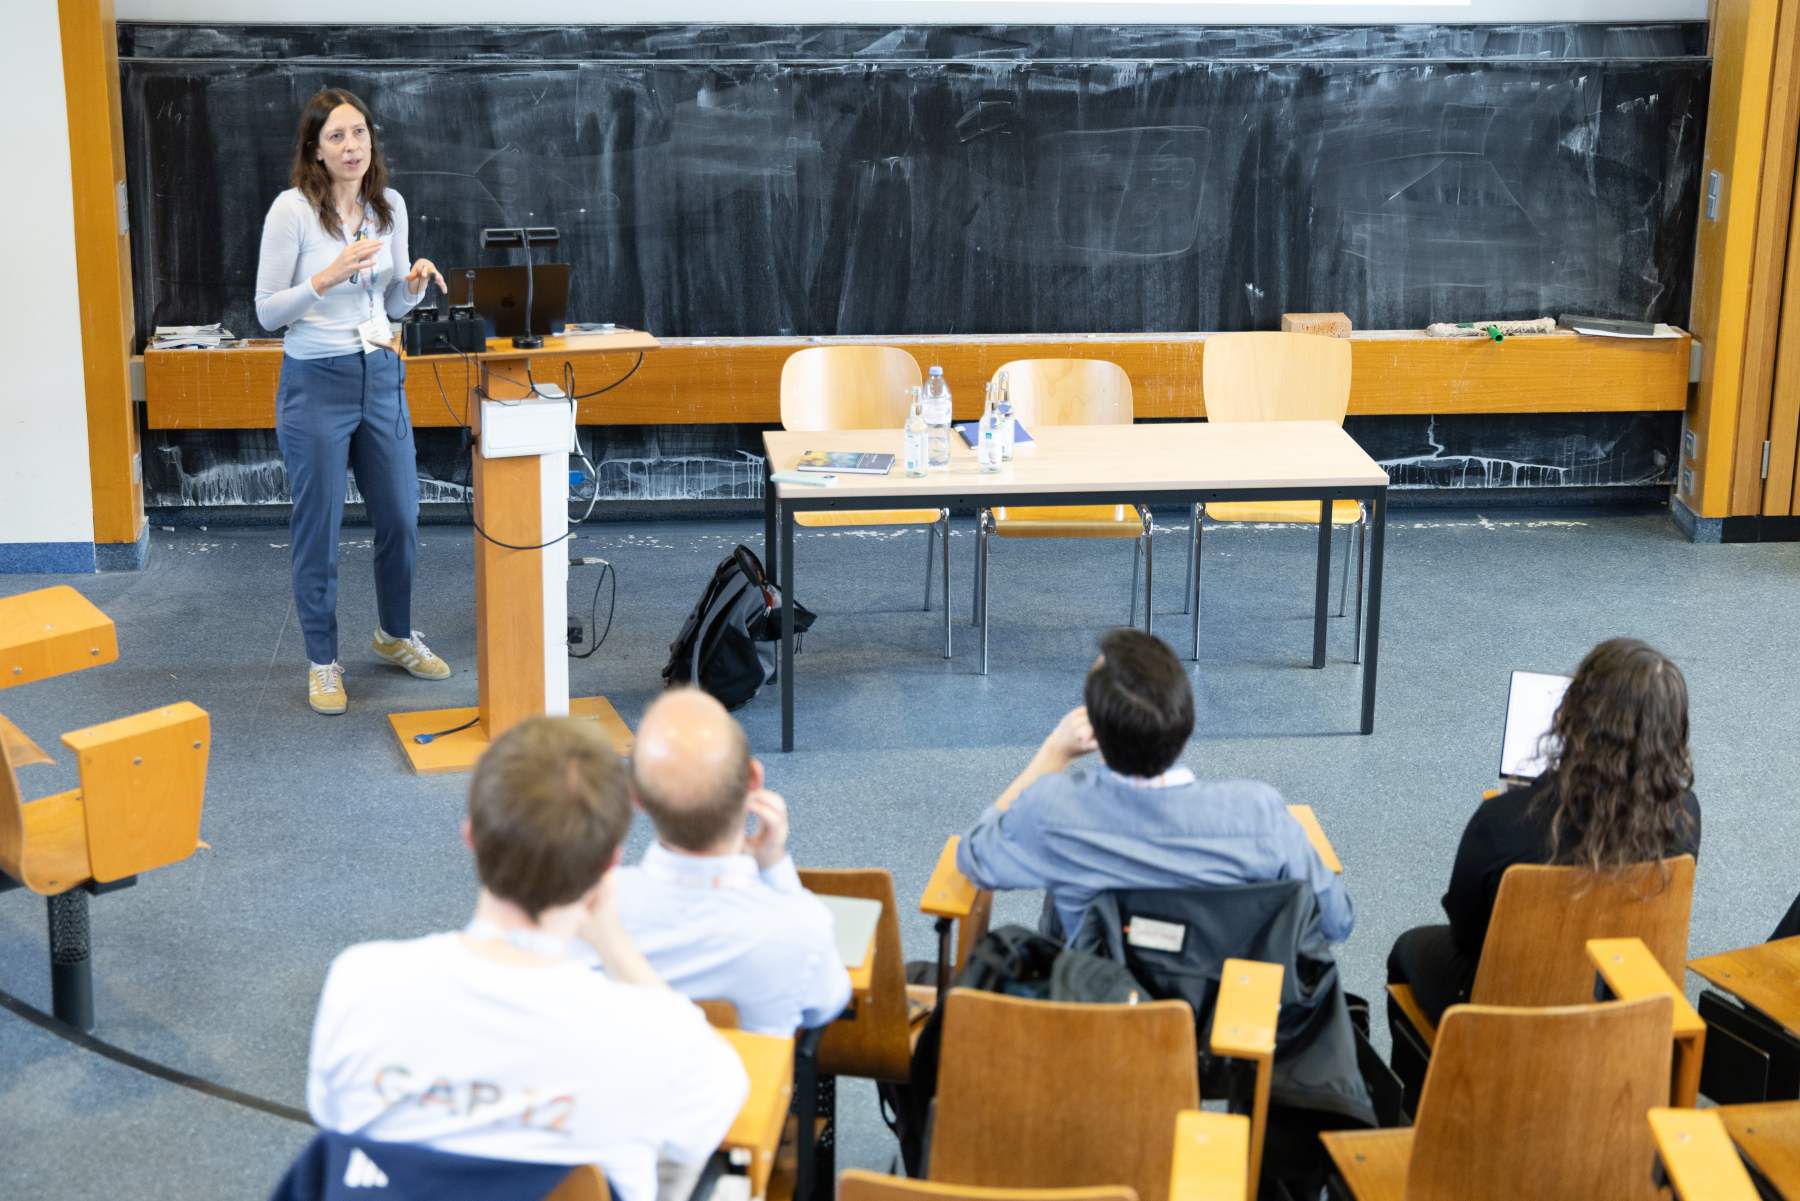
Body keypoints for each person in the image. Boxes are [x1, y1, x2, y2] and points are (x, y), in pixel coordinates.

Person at [306, 716, 747, 1201]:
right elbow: (712, 1122)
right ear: (609, 863)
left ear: (472, 837)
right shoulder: (660, 1033)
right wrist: (615, 946)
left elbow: (335, 1127)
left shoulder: (360, 980)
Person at [955, 628, 1353, 945]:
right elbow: (1336, 923)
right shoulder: (1259, 813)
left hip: (1096, 1012)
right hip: (1220, 1018)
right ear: (1185, 721)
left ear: (1094, 729)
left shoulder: (1053, 812)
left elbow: (975, 856)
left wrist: (1052, 755)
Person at [255, 87, 453, 716]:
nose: (351, 146)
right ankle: (322, 661)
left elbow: (389, 303)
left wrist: (412, 288)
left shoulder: (388, 206)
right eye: (337, 136)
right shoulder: (292, 212)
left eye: (360, 133)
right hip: (316, 382)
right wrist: (327, 276)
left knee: (400, 514)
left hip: (380, 372)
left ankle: (395, 634)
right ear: (315, 148)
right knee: (319, 527)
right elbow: (267, 312)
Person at [1387, 637, 1702, 1024]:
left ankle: (1441, 1064)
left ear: (1573, 715)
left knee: (1408, 949)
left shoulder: (1502, 820)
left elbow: (1467, 936)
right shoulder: (1684, 813)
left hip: (1505, 1011)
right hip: (1622, 1003)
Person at [615, 688, 851, 1035]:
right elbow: (828, 1004)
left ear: (636, 796)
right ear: (754, 780)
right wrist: (775, 869)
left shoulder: (585, 916)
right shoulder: (801, 928)